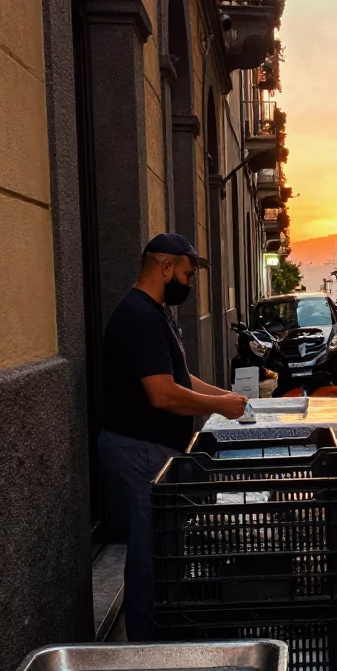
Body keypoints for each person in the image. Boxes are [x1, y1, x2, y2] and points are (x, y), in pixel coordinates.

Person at [98, 233, 247, 640]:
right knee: (148, 560)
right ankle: (145, 651)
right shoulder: (137, 315)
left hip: (154, 451)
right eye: (187, 272)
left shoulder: (158, 313)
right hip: (138, 451)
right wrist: (218, 407)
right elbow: (162, 394)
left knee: (161, 553)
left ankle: (158, 637)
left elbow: (180, 378)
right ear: (165, 267)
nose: (190, 281)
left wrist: (226, 396)